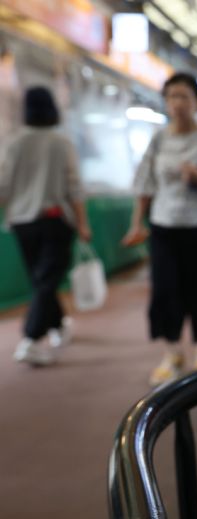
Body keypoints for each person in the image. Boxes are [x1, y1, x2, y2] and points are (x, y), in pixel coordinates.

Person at [122, 72, 197, 386]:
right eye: (172, 96)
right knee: (165, 289)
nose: (178, 102)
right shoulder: (159, 140)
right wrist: (136, 223)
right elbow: (145, 183)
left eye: (184, 96)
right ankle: (172, 353)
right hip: (165, 227)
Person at [0, 86, 92, 366]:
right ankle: (31, 339)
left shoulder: (13, 142)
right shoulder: (61, 143)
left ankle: (58, 326)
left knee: (41, 279)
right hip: (55, 221)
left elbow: (3, 185)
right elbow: (74, 187)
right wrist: (83, 223)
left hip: (21, 223)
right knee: (47, 280)